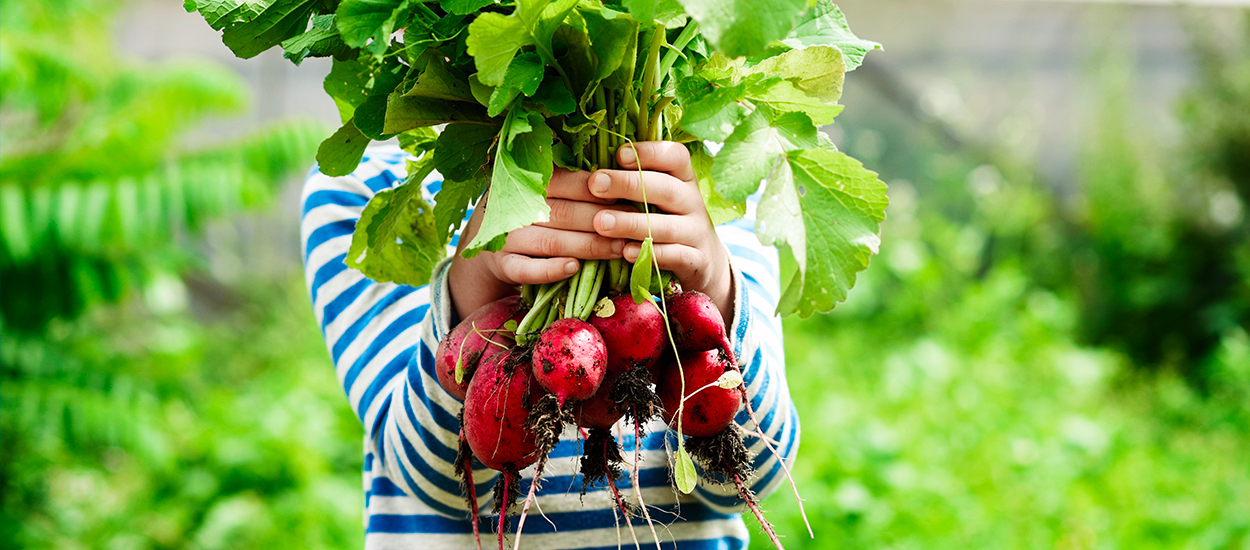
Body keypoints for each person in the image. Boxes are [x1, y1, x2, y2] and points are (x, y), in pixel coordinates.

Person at [300, 140, 799, 549]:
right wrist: (480, 265)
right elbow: (434, 483)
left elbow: (751, 480)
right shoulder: (369, 190)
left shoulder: (709, 181)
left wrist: (712, 281)